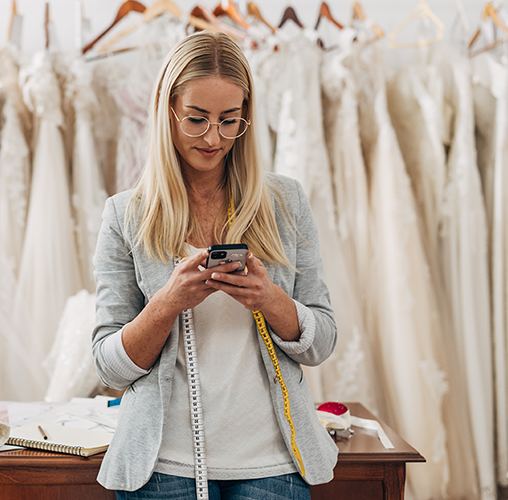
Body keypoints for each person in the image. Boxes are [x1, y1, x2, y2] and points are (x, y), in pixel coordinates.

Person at [91, 31, 339, 499]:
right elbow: (109, 367)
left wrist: (272, 301)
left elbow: (321, 341)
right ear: (168, 113)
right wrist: (166, 304)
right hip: (161, 468)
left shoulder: (285, 202)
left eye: (229, 121)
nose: (213, 138)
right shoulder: (126, 214)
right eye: (197, 119)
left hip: (273, 464)